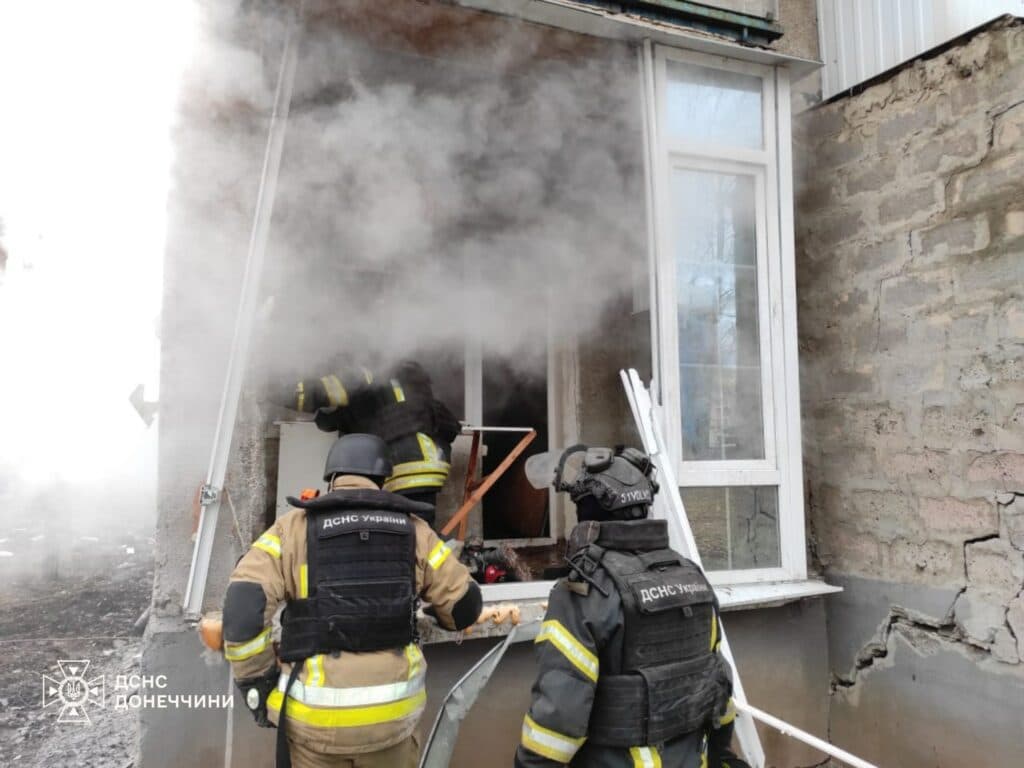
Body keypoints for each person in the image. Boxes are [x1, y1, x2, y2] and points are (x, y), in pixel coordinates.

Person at [222, 433, 482, 768]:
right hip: (392, 720)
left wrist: (258, 683)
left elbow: (243, 606)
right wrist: (433, 611)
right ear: (384, 480)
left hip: (315, 723)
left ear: (332, 479)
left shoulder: (292, 529)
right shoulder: (416, 531)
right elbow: (465, 607)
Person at [514, 445, 749, 768]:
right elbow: (719, 685)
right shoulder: (692, 578)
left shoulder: (585, 592)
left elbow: (557, 723)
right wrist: (721, 754)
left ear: (588, 512)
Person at [282, 360, 461, 527]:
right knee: (417, 529)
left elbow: (314, 394)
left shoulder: (364, 373)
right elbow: (333, 419)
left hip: (403, 466)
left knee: (400, 532)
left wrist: (273, 390)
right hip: (430, 461)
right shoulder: (405, 372)